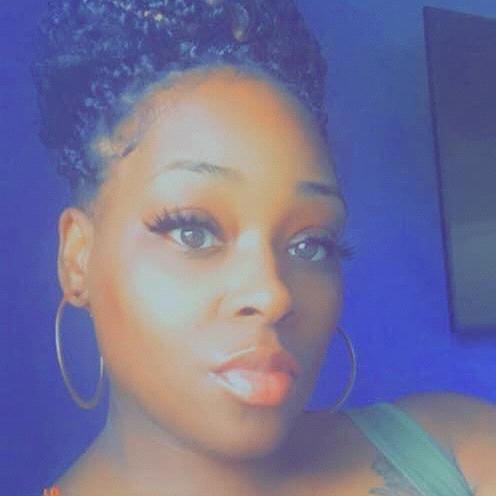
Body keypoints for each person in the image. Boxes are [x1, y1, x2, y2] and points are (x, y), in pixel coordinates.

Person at [31, 0, 496, 494]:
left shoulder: (462, 447)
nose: (273, 294)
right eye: (193, 232)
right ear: (77, 258)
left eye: (311, 244)